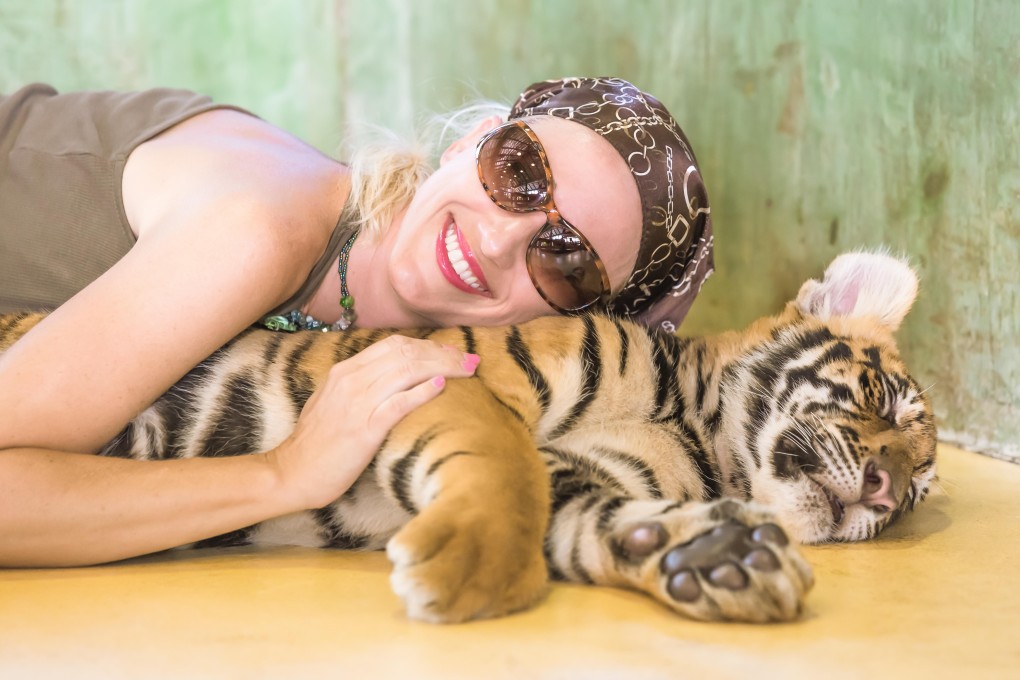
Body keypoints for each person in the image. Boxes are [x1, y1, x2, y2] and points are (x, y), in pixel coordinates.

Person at [0, 76, 714, 567]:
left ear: (573, 320)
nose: (500, 239)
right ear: (475, 139)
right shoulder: (260, 231)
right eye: (519, 171)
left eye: (564, 261)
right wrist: (282, 476)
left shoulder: (369, 317)